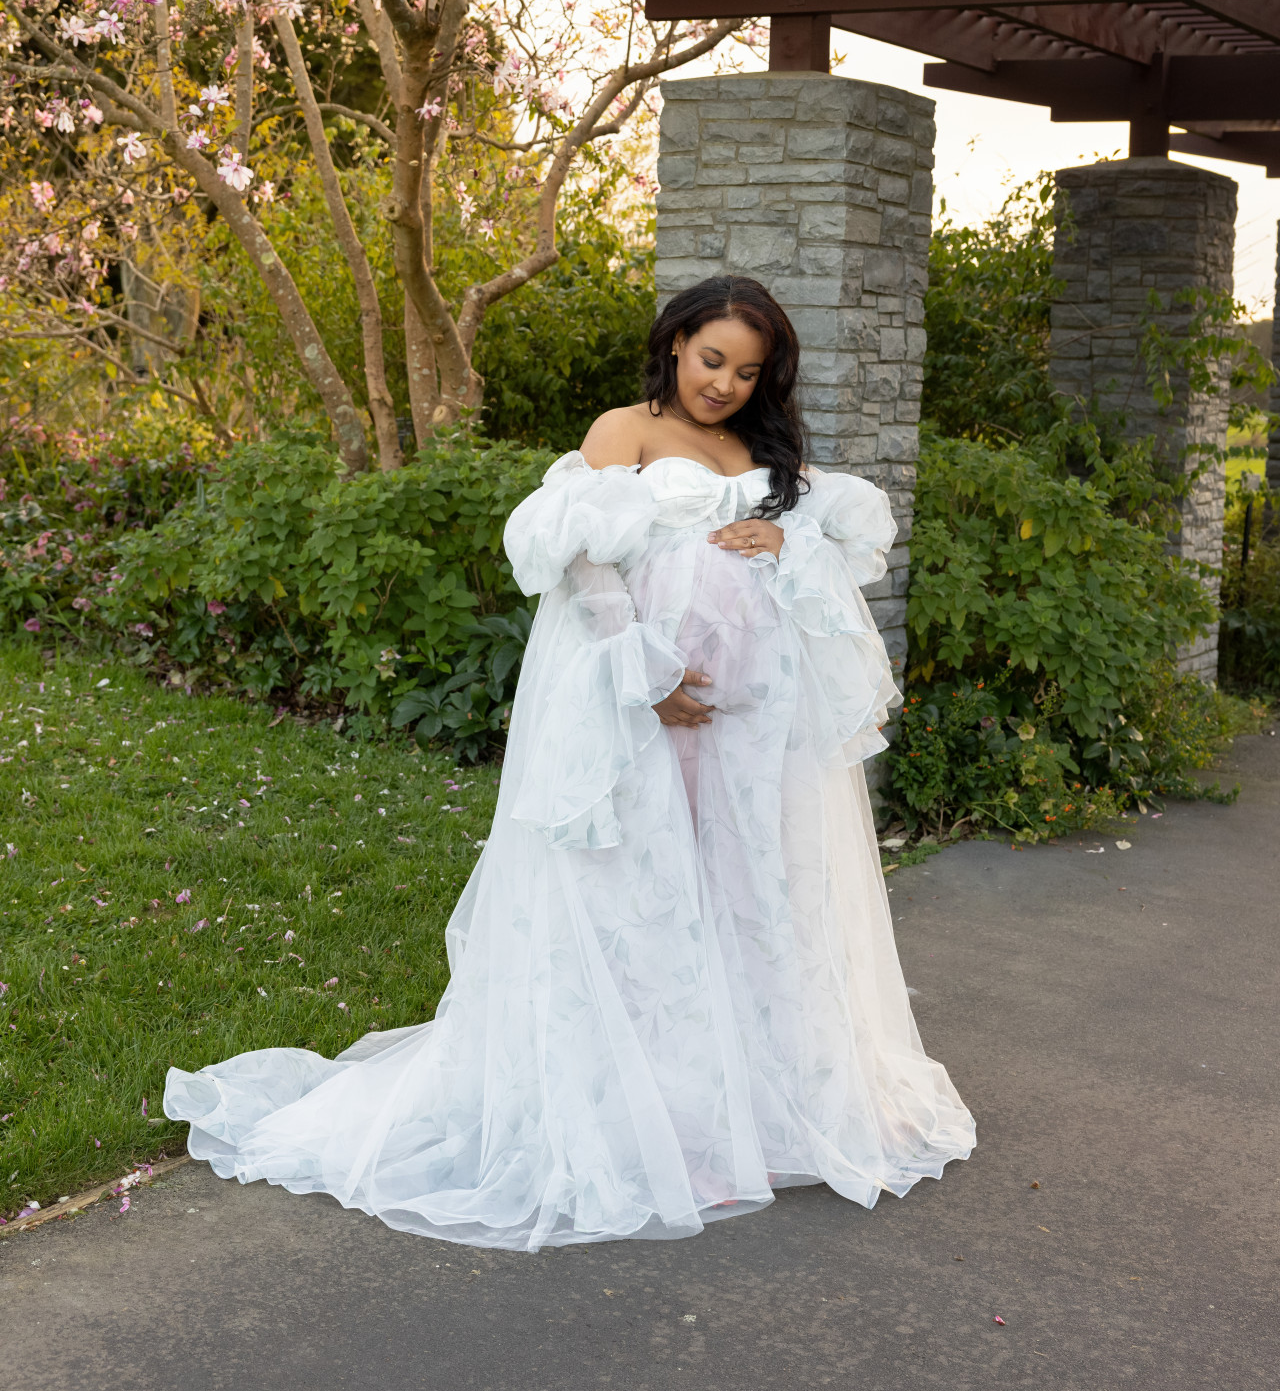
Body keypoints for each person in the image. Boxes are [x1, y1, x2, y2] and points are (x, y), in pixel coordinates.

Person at [165, 275, 974, 1249]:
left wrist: (782, 534)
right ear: (675, 344)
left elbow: (815, 547)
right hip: (647, 702)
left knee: (747, 885)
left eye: (747, 371)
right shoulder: (621, 431)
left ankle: (749, 1110)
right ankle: (652, 1116)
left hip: (755, 718)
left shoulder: (762, 447)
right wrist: (638, 673)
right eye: (711, 359)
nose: (724, 384)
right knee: (639, 890)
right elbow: (585, 560)